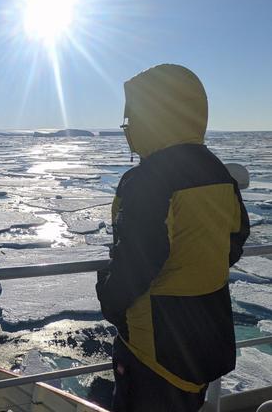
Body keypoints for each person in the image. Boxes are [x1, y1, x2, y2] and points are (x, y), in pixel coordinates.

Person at [95, 64, 250, 412]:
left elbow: (136, 264)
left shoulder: (148, 180)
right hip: (206, 332)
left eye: (131, 118)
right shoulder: (217, 171)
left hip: (156, 344)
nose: (127, 129)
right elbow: (236, 236)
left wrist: (107, 294)